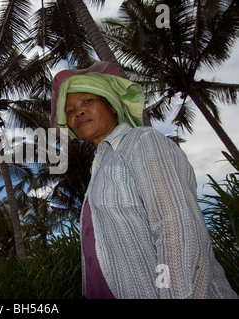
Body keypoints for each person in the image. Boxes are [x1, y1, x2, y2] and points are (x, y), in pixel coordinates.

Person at [50, 61, 238, 299]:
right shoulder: (99, 169)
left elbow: (176, 227)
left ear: (112, 106)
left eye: (87, 101)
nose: (78, 112)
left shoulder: (141, 141)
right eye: (69, 111)